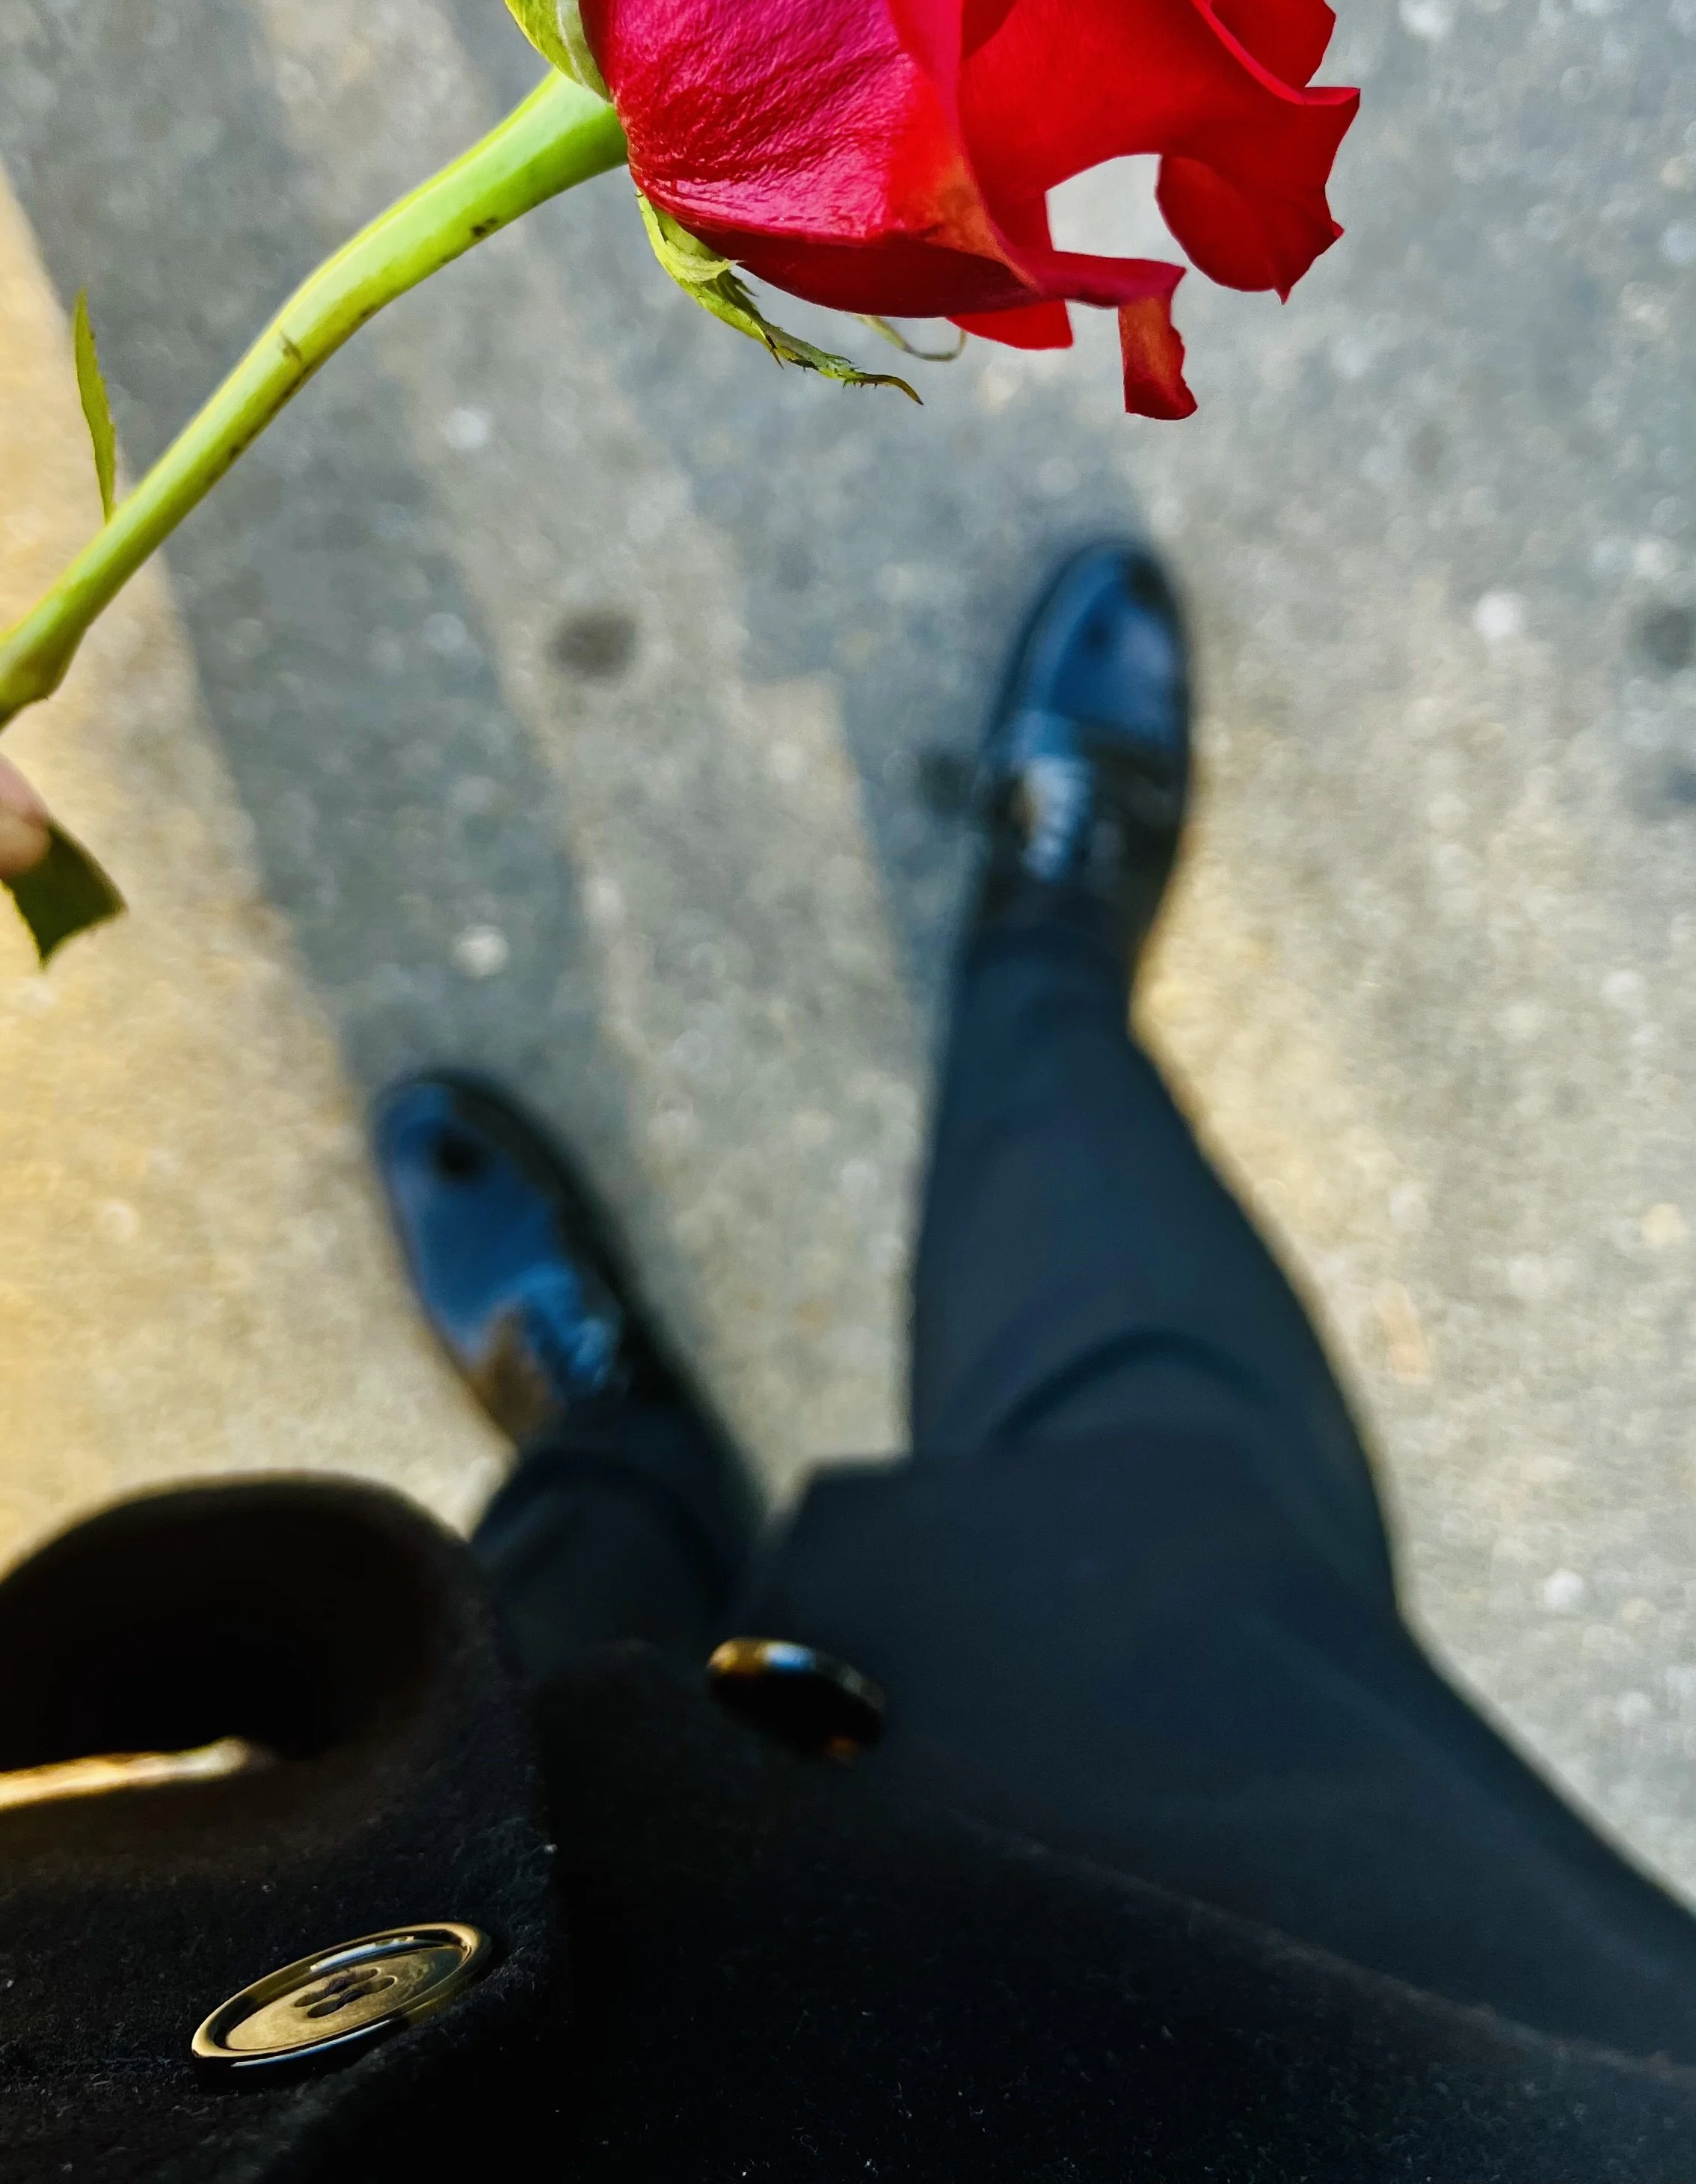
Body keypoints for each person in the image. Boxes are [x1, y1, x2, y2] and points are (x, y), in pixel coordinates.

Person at [4, 545, 1696, 2182]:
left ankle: (613, 1432)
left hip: (334, 2026)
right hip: (1313, 1992)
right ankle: (1042, 976)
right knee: (1148, 1459)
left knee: (545, 1634)